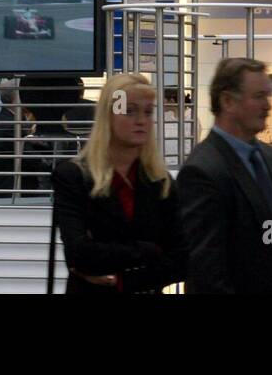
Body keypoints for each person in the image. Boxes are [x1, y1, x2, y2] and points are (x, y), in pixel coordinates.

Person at [178, 58, 272, 294]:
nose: (268, 105)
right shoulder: (203, 172)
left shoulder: (271, 160)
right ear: (227, 101)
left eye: (267, 95)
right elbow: (207, 272)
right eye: (258, 96)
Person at [49, 74, 186, 294]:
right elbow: (79, 254)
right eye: (129, 111)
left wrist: (123, 279)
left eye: (148, 112)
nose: (141, 120)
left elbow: (182, 258)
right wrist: (150, 250)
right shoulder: (74, 176)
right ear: (108, 116)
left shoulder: (161, 182)